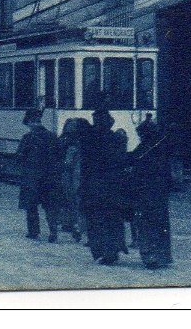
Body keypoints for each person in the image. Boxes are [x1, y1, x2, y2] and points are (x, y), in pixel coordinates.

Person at [81, 108, 128, 265]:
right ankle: (112, 251)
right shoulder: (116, 139)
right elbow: (121, 162)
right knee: (112, 219)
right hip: (112, 187)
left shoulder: (89, 140)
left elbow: (86, 166)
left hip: (93, 186)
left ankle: (100, 252)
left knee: (95, 220)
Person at [130, 118, 173, 269]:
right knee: (158, 223)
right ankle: (160, 255)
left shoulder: (149, 149)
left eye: (141, 134)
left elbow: (133, 164)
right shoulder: (155, 148)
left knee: (146, 223)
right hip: (157, 193)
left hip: (146, 192)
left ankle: (150, 255)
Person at [15, 109, 62, 242]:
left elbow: (19, 157)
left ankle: (33, 232)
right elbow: (60, 155)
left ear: (30, 122)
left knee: (31, 206)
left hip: (32, 178)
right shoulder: (52, 136)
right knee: (50, 206)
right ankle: (53, 233)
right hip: (50, 177)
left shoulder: (28, 138)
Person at [58, 118, 90, 243]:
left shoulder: (73, 143)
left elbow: (67, 162)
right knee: (72, 200)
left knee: (76, 200)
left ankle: (78, 226)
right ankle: (75, 225)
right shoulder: (73, 142)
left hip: (75, 175)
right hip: (71, 175)